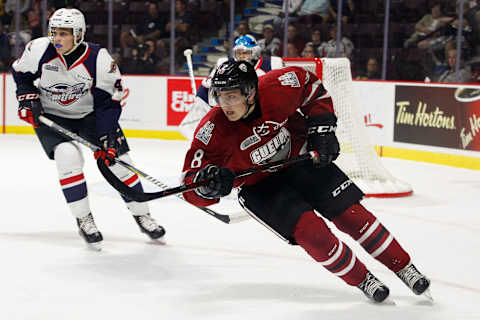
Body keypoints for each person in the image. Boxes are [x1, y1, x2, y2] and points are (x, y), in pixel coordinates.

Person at [180, 60, 431, 303]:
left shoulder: (277, 87)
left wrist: (321, 129)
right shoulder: (212, 130)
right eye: (220, 96)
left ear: (250, 92)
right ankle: (363, 280)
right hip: (261, 188)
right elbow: (190, 183)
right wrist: (209, 184)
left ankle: (405, 268)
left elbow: (311, 87)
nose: (225, 104)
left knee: (353, 216)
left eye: (232, 96)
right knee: (313, 235)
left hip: (300, 160)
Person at [11, 8, 165, 250]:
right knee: (67, 156)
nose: (57, 38)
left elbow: (108, 102)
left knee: (120, 162)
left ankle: (142, 215)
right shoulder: (39, 49)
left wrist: (106, 136)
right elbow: (21, 74)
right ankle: (84, 219)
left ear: (79, 34)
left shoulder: (99, 59)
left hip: (91, 116)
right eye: (54, 32)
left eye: (64, 33)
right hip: (51, 117)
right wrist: (26, 96)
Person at [178, 34, 283, 140]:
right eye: (239, 53)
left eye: (245, 52)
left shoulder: (271, 65)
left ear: (254, 52)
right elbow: (207, 86)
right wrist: (200, 102)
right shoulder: (226, 65)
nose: (241, 56)